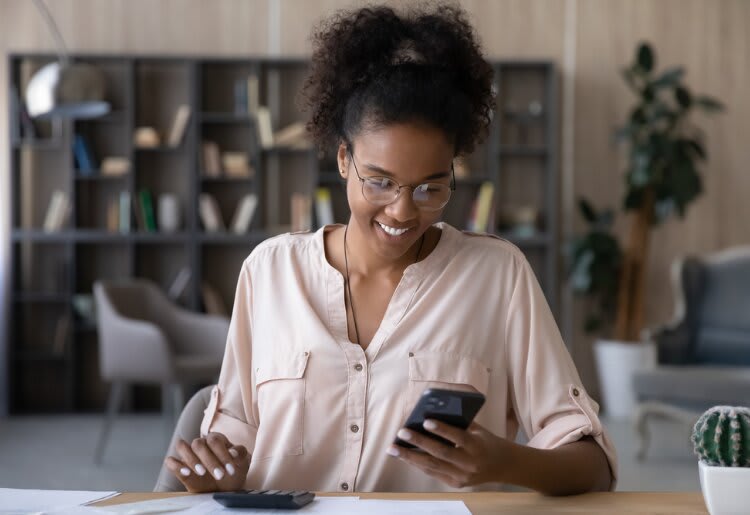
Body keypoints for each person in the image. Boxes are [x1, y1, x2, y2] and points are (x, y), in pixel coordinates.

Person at [164, 4, 616, 495]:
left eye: (430, 188)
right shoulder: (269, 272)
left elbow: (594, 465)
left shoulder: (498, 276)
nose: (402, 211)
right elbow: (230, 439)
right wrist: (219, 474)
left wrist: (505, 463)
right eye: (380, 182)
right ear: (343, 160)